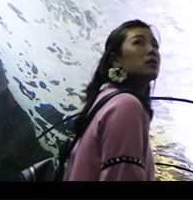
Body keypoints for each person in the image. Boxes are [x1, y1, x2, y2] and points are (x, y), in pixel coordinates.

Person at [63, 19, 160, 181]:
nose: (152, 50)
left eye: (155, 46)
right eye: (138, 42)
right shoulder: (126, 105)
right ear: (115, 60)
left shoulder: (104, 103)